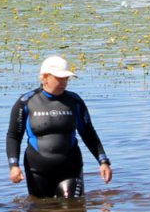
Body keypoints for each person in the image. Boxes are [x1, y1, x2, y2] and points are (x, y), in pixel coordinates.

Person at [7, 55, 112, 198]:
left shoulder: (74, 101)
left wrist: (103, 161)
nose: (64, 82)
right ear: (45, 77)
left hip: (70, 167)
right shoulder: (26, 102)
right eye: (60, 78)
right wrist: (14, 166)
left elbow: (88, 133)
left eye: (66, 78)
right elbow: (14, 136)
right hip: (37, 169)